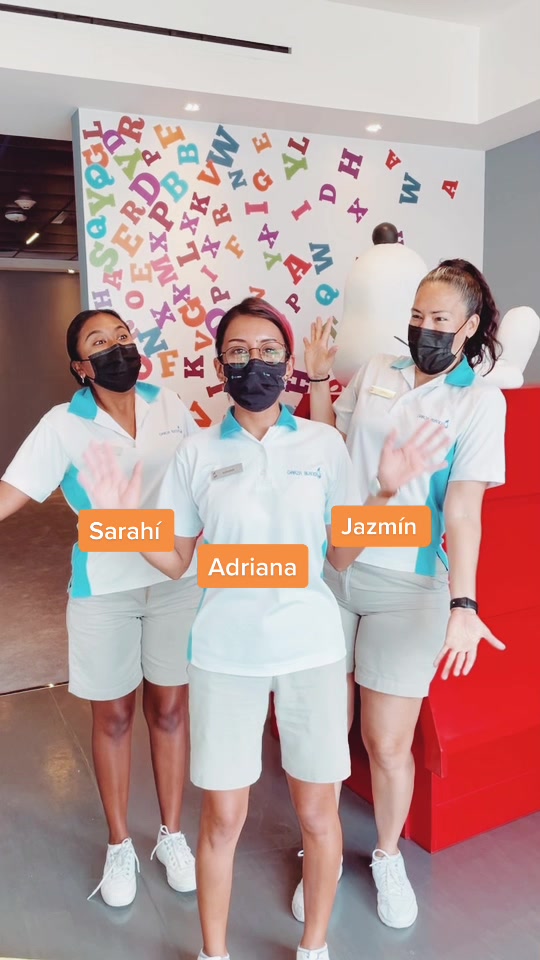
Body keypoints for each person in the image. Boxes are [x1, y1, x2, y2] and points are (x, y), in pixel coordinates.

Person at [78, 297, 448, 960]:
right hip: (224, 656)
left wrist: (385, 492)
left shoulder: (323, 444)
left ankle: (314, 948)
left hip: (312, 652)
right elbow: (177, 559)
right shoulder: (195, 451)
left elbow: (338, 557)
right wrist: (119, 516)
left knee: (318, 814)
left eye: (270, 351)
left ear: (288, 362)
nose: (256, 363)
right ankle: (214, 953)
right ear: (221, 365)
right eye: (240, 352)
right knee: (223, 819)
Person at [291, 259, 507, 929]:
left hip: (408, 584)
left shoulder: (479, 402)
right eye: (416, 316)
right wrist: (320, 380)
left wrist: (464, 604)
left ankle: (387, 854)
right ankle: (320, 850)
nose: (424, 329)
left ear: (470, 326)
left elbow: (463, 512)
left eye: (440, 319)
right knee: (325, 730)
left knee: (386, 742)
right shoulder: (378, 372)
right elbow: (332, 447)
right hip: (335, 567)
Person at [0, 309, 201, 908]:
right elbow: (11, 491)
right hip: (104, 589)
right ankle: (119, 844)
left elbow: (202, 479)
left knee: (170, 710)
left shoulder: (169, 405)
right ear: (81, 367)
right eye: (99, 342)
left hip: (176, 579)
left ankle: (171, 835)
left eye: (122, 336)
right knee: (113, 716)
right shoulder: (63, 425)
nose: (117, 347)